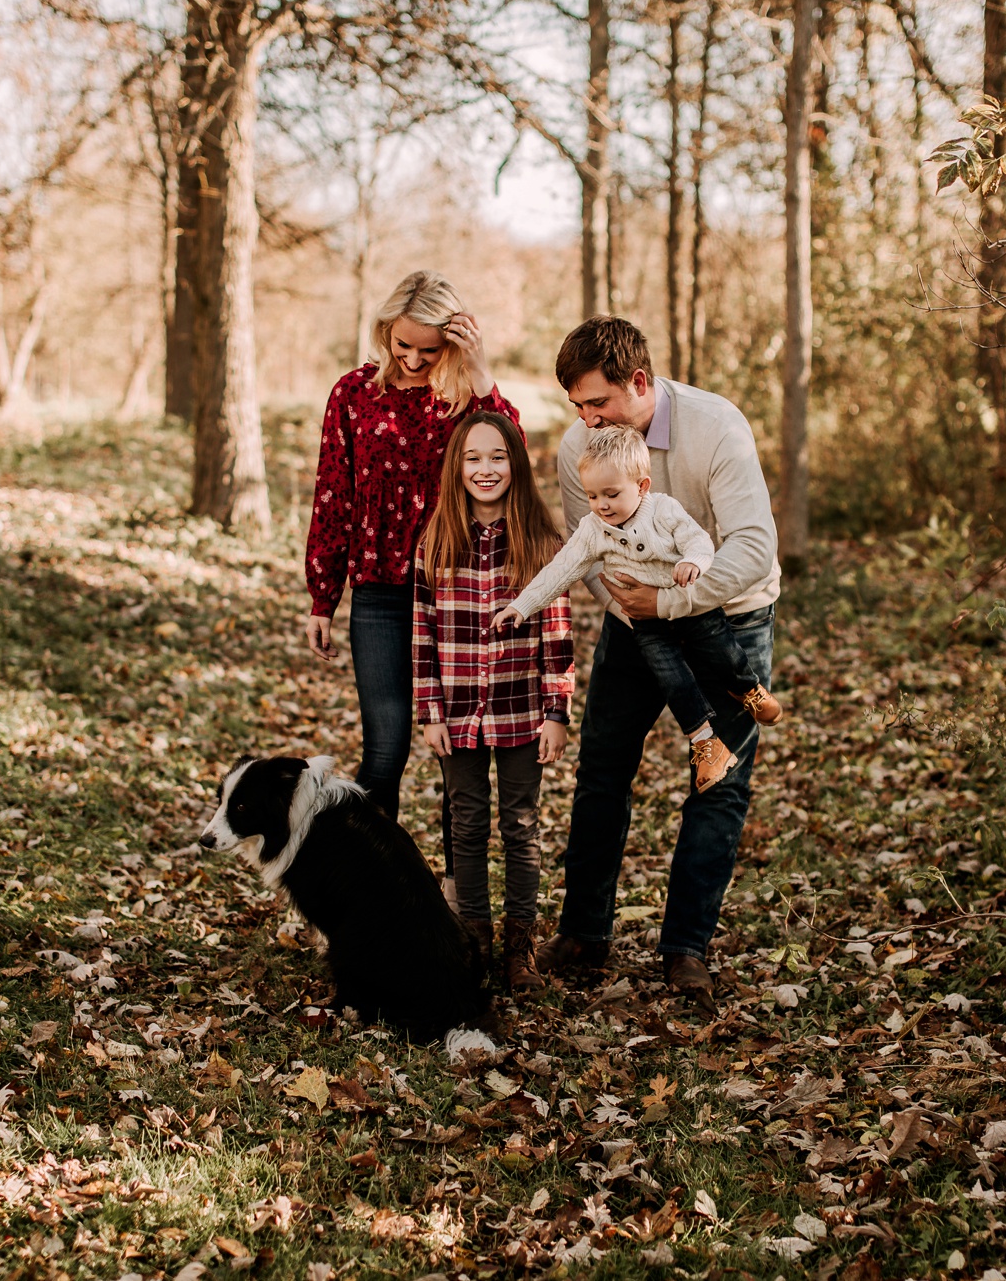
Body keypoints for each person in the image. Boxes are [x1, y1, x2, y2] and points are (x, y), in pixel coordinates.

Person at [535, 316, 781, 1001]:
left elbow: (752, 547)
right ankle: (584, 932)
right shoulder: (577, 447)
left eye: (599, 402)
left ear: (639, 383)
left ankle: (685, 949)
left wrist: (669, 606)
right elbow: (585, 551)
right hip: (632, 623)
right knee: (602, 771)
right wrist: (632, 610)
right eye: (577, 406)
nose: (586, 419)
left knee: (718, 782)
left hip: (730, 621)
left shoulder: (716, 427)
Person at [303, 271, 519, 829]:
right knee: (386, 748)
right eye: (404, 346)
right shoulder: (353, 393)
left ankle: (456, 892)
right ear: (385, 333)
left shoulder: (467, 401)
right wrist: (322, 598)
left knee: (459, 756)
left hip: (454, 592)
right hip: (377, 593)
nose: (416, 360)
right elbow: (333, 493)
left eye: (431, 348)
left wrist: (480, 372)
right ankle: (376, 890)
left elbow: (511, 453)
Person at [495, 424, 780, 792]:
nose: (601, 505)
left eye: (611, 494)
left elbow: (700, 540)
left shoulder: (663, 510)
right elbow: (562, 568)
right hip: (647, 622)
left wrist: (693, 561)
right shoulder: (594, 527)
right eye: (592, 495)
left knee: (723, 654)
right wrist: (523, 605)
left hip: (688, 606)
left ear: (642, 486)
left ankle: (749, 688)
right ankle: (706, 745)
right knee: (675, 681)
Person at [411, 412, 573, 991]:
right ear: (456, 466)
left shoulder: (541, 541)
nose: (485, 469)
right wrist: (429, 711)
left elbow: (557, 631)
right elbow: (422, 632)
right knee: (468, 821)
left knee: (521, 825)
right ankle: (475, 942)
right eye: (473, 458)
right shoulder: (436, 541)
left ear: (516, 465)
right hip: (454, 712)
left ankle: (519, 950)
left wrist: (557, 710)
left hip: (523, 708)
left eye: (497, 457)